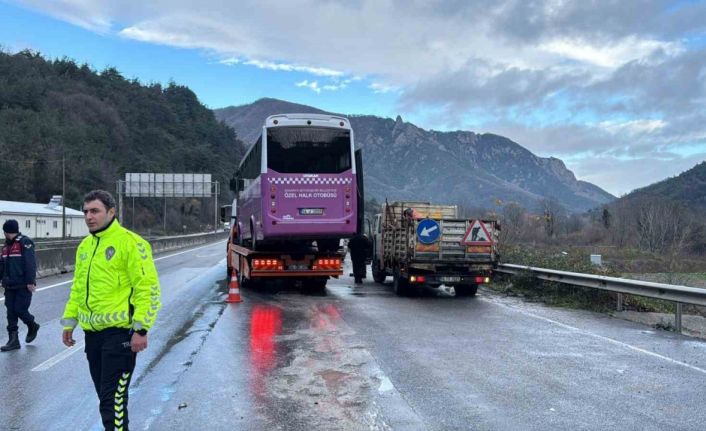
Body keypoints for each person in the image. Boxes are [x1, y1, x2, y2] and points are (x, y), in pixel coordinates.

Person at [61, 190, 161, 431]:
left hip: (121, 336)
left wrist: (141, 328)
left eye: (95, 211)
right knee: (106, 398)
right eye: (85, 211)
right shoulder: (85, 246)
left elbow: (147, 289)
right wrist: (69, 322)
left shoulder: (131, 243)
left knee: (112, 401)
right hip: (93, 336)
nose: (88, 216)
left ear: (112, 212)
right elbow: (78, 288)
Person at [0, 219, 39, 352]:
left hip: (22, 285)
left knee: (20, 310)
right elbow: (1, 266)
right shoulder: (5, 247)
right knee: (10, 312)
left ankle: (32, 325)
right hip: (9, 285)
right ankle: (13, 340)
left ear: (5, 231)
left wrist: (30, 281)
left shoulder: (24, 242)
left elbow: (30, 263)